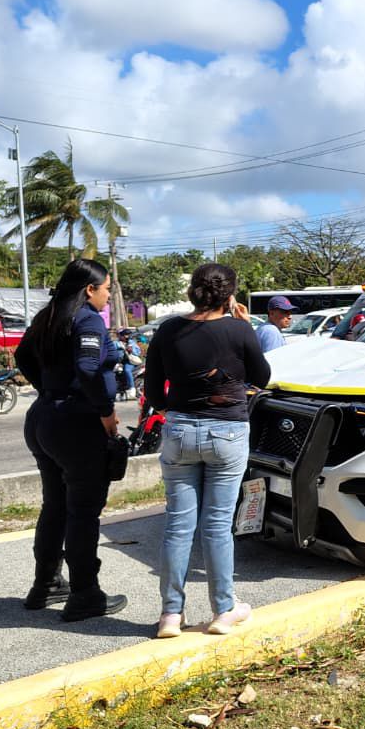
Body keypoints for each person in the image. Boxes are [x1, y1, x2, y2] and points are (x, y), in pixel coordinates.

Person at [146, 263, 271, 638]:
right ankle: (224, 609)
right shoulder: (238, 328)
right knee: (217, 526)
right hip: (228, 433)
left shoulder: (168, 329)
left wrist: (179, 413)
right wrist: (240, 324)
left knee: (178, 526)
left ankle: (170, 615)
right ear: (229, 294)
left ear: (192, 291)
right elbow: (260, 377)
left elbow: (153, 392)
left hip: (180, 430)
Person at [13, 258, 127, 621]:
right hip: (76, 423)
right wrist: (105, 411)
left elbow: (22, 356)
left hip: (44, 419)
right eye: (107, 288)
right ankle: (85, 594)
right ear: (89, 289)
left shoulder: (49, 315)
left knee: (56, 506)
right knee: (82, 512)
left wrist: (50, 389)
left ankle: (46, 585)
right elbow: (90, 368)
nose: (109, 296)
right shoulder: (88, 318)